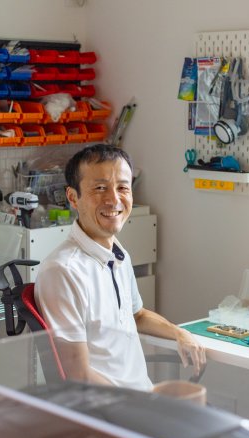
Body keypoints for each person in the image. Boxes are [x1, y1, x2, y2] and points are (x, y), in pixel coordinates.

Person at [35, 144, 205, 391]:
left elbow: (136, 315)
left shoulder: (117, 254)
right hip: (110, 412)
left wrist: (179, 333)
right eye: (100, 188)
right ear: (73, 197)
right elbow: (78, 375)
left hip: (140, 397)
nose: (114, 199)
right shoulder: (63, 271)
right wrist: (142, 406)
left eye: (123, 187)